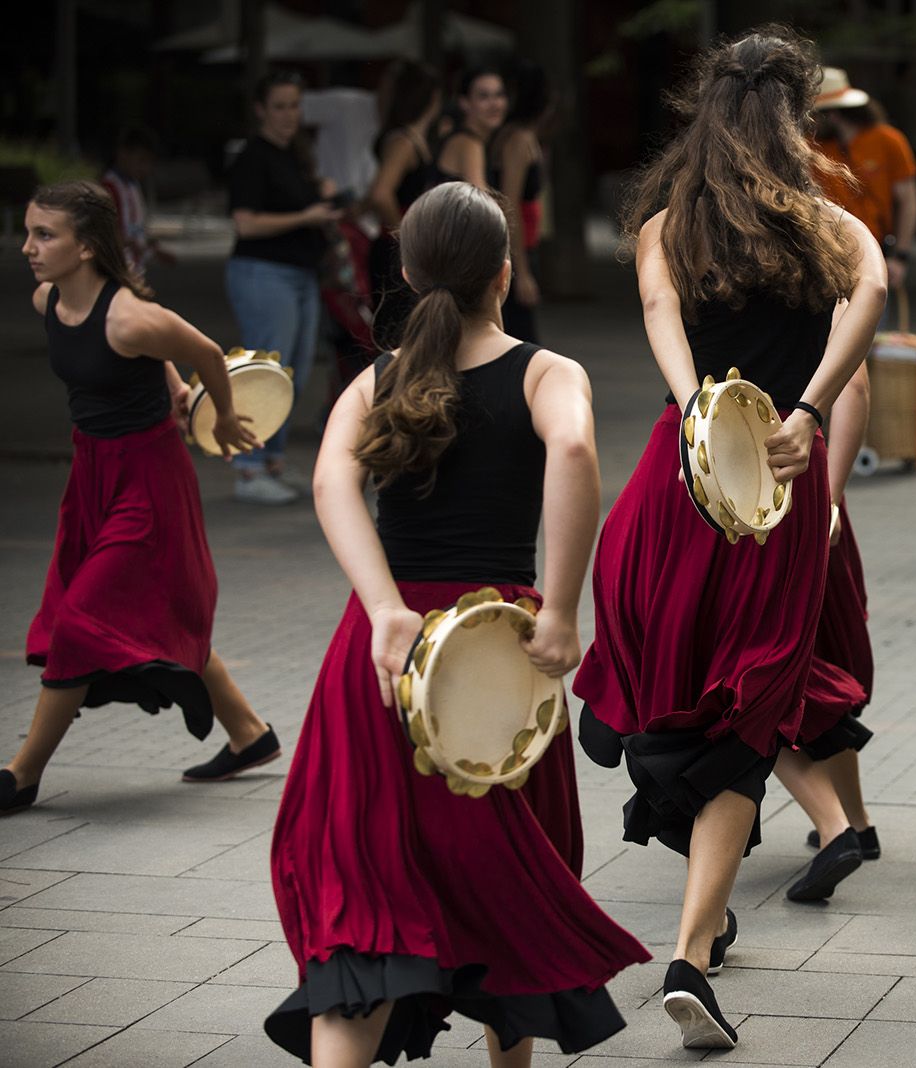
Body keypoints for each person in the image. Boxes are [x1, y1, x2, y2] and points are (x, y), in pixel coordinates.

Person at [264, 182, 650, 1065]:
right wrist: (558, 608)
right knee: (500, 878)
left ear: (405, 271)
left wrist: (385, 609)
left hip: (387, 656)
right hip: (495, 652)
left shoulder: (379, 377)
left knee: (366, 897)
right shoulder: (549, 373)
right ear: (505, 274)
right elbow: (577, 449)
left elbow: (331, 483)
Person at [572, 29, 885, 1050]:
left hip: (680, 477)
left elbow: (661, 317)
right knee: (747, 717)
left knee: (663, 679)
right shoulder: (824, 222)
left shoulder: (669, 223)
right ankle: (691, 955)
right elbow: (871, 296)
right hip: (774, 496)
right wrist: (802, 410)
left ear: (704, 113)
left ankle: (632, 739)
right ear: (792, 116)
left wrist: (699, 410)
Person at [5, 180, 281, 816]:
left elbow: (207, 350)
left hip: (149, 479)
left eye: (44, 235)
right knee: (151, 610)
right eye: (28, 232)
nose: (29, 247)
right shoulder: (48, 299)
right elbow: (156, 358)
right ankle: (249, 733)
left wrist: (220, 413)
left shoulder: (129, 315)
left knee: (82, 618)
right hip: (91, 475)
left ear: (86, 247)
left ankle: (22, 773)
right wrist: (171, 382)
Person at [226, 69, 340, 506]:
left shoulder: (294, 153)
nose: (289, 115)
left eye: (295, 105)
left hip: (298, 273)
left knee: (292, 373)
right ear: (260, 110)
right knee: (265, 374)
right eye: (279, 106)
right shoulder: (252, 157)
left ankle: (271, 460)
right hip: (263, 273)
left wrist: (322, 195)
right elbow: (245, 222)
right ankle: (248, 468)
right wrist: (306, 217)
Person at [786, 363, 880, 866]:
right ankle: (853, 822)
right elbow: (855, 385)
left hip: (730, 483)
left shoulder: (700, 280)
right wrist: (829, 495)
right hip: (806, 483)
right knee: (823, 663)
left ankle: (837, 824)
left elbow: (856, 387)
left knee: (745, 666)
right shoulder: (830, 281)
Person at [812, 67, 916, 297]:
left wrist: (900, 256)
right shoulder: (810, 146)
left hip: (874, 250)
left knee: (871, 326)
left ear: (832, 114)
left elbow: (909, 202)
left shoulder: (889, 141)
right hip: (824, 255)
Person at [364, 60, 442, 352]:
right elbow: (381, 194)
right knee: (399, 343)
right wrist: (405, 235)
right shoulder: (405, 141)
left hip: (400, 249)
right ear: (432, 98)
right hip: (396, 253)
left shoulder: (411, 138)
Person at [493, 60, 549, 345]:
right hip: (516, 251)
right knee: (521, 340)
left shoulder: (522, 136)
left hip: (523, 247)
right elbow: (509, 202)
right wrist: (522, 270)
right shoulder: (518, 139)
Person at [102, 126, 173, 273]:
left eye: (149, 162)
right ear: (123, 154)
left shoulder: (133, 186)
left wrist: (150, 247)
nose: (145, 168)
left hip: (134, 269)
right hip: (117, 269)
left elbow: (135, 228)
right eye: (141, 160)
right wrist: (129, 242)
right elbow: (104, 232)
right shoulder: (109, 187)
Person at [436, 67, 507, 192]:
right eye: (484, 97)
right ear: (464, 103)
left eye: (499, 95)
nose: (495, 104)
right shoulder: (468, 144)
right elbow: (482, 205)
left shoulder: (469, 140)